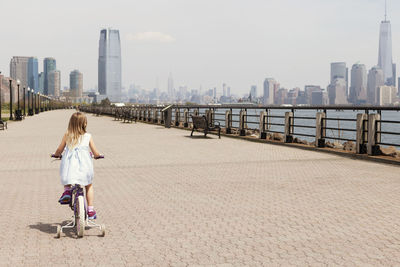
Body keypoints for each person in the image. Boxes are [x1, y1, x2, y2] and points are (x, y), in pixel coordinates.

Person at [53, 112, 103, 219]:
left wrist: (56, 155)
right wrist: (98, 156)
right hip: (85, 167)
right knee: (88, 185)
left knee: (67, 175)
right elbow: (95, 152)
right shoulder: (88, 136)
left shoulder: (67, 135)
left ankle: (67, 191)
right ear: (84, 124)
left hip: (70, 166)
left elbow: (59, 150)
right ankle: (90, 210)